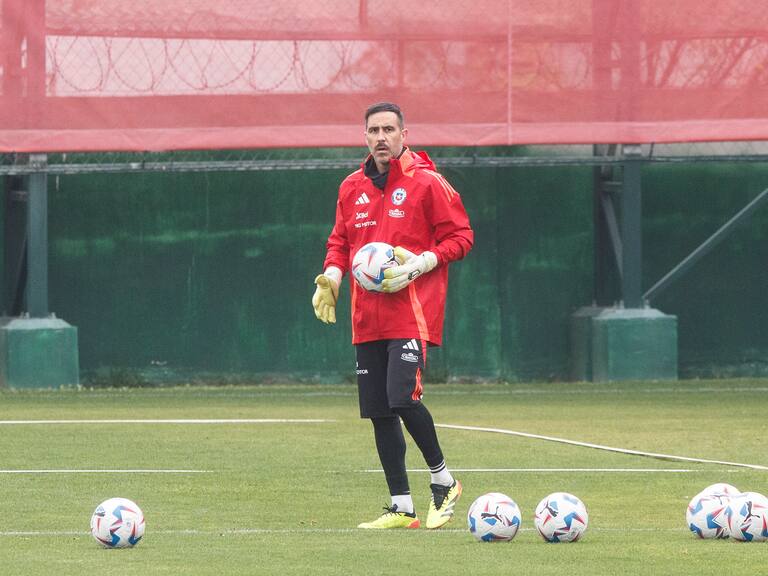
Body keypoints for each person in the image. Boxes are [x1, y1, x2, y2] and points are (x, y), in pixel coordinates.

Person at [311, 102, 473, 529]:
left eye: (389, 129)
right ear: (364, 136)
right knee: (380, 410)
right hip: (367, 317)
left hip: (411, 312)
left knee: (403, 398)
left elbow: (461, 236)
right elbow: (340, 242)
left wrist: (421, 263)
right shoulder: (350, 187)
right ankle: (402, 506)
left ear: (404, 134)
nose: (381, 137)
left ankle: (444, 480)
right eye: (373, 130)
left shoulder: (427, 182)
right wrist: (331, 277)